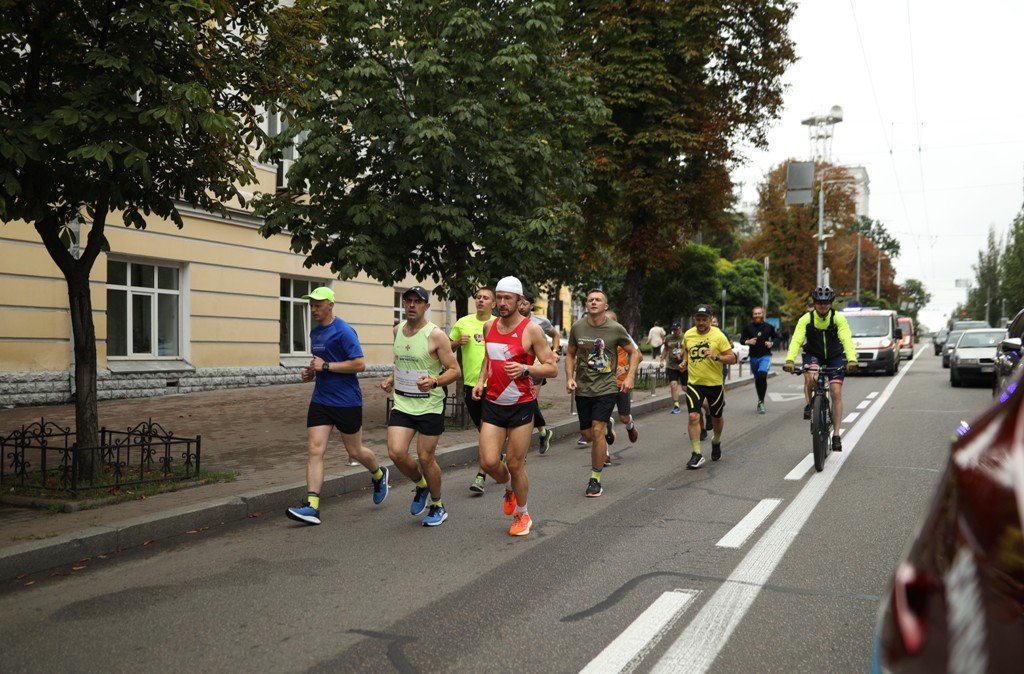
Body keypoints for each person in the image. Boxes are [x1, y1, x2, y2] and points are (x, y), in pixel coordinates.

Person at [286, 286, 390, 525]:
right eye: (311, 305)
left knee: (355, 451)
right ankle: (312, 506)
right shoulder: (315, 333)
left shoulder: (343, 331)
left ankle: (378, 473)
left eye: (318, 305)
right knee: (315, 449)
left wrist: (325, 367)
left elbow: (360, 365)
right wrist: (311, 372)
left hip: (346, 401)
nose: (313, 309)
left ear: (331, 305)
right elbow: (320, 364)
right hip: (321, 399)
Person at [472, 277, 558, 536]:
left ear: (520, 301)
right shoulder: (489, 326)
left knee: (515, 463)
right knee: (488, 462)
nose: (501, 303)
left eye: (507, 298)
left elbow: (551, 367)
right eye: (498, 297)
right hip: (493, 403)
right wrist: (480, 381)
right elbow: (489, 357)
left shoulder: (531, 330)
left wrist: (525, 369)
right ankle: (509, 487)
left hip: (521, 405)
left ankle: (523, 513)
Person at [380, 286, 462, 526]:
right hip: (404, 403)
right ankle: (421, 484)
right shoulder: (397, 331)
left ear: (427, 306)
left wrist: (435, 381)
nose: (412, 305)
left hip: (429, 405)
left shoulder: (436, 335)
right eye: (408, 301)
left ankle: (437, 505)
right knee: (396, 452)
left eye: (418, 301)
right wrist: (390, 379)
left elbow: (455, 371)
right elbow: (401, 363)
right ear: (403, 304)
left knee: (426, 458)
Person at [565, 289, 639, 497]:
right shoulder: (578, 327)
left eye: (598, 300)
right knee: (588, 435)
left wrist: (630, 376)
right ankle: (607, 430)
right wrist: (570, 377)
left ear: (605, 306)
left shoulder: (615, 328)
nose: (593, 302)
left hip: (607, 388)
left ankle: (595, 479)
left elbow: (634, 353)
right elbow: (570, 354)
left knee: (596, 431)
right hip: (583, 388)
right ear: (587, 305)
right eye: (590, 300)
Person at [784, 286, 858, 451]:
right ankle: (812, 405)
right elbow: (797, 339)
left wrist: (852, 359)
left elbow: (846, 338)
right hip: (814, 354)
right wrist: (790, 359)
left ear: (830, 303)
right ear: (815, 303)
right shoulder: (806, 319)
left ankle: (837, 434)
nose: (822, 306)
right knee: (811, 376)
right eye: (819, 303)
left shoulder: (838, 318)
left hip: (835, 356)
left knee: (835, 392)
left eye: (826, 303)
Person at [450, 286, 496, 495]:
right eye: (478, 297)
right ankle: (495, 458)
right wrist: (457, 342)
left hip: (494, 385)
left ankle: (481, 475)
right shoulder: (463, 323)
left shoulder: (497, 324)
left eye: (486, 298)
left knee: (486, 432)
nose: (480, 301)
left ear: (493, 303)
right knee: (482, 429)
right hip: (471, 384)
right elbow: (447, 346)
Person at [682, 304, 737, 469]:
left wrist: (716, 356)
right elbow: (685, 349)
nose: (701, 322)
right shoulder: (689, 334)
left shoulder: (718, 336)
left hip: (714, 384)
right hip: (694, 383)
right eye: (698, 319)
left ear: (710, 320)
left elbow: (732, 358)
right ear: (694, 319)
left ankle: (716, 440)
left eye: (704, 319)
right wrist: (684, 361)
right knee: (693, 416)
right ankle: (696, 453)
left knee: (717, 417)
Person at [519, 292, 559, 454]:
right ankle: (543, 432)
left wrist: (555, 351)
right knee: (527, 403)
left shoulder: (541, 322)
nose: (521, 306)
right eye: (519, 303)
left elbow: (555, 335)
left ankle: (523, 447)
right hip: (518, 367)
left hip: (537, 367)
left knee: (529, 401)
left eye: (524, 304)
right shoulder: (510, 321)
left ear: (531, 306)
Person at [607, 311, 642, 446]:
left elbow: (638, 356)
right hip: (604, 384)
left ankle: (630, 425)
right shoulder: (598, 336)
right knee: (603, 420)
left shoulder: (623, 336)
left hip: (621, 383)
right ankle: (604, 454)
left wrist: (626, 369)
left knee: (623, 417)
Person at [740, 306, 780, 414]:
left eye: (759, 313)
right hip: (753, 357)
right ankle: (760, 399)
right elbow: (741, 340)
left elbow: (777, 338)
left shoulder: (769, 327)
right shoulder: (748, 327)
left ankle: (761, 402)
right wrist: (748, 342)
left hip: (765, 356)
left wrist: (772, 343)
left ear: (763, 314)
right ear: (753, 315)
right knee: (758, 379)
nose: (757, 315)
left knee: (763, 374)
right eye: (755, 314)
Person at [661, 322, 687, 414]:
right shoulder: (668, 338)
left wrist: (682, 357)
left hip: (683, 366)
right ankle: (676, 405)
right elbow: (666, 349)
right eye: (673, 330)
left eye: (676, 329)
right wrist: (662, 360)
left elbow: (688, 350)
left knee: (685, 388)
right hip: (671, 365)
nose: (674, 331)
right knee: (673, 385)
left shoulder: (685, 337)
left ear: (680, 328)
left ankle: (694, 401)